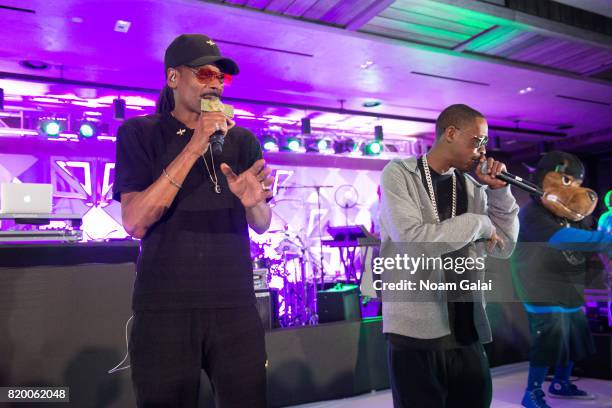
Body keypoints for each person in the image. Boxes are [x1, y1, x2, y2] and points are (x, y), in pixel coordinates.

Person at [112, 33, 273, 407]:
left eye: (221, 77)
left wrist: (253, 203)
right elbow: (134, 222)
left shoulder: (243, 140)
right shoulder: (140, 134)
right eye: (204, 73)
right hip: (165, 308)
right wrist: (195, 145)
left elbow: (263, 222)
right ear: (173, 78)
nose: (215, 82)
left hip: (234, 305)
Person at [378, 104, 519, 407]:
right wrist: (479, 223)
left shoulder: (471, 186)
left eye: (485, 143)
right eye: (477, 140)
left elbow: (505, 246)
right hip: (415, 334)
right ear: (451, 133)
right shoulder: (399, 174)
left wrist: (498, 192)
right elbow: (414, 243)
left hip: (467, 330)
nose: (482, 151)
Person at [512, 151, 612, 408]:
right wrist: (605, 240)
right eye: (567, 181)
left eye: (577, 183)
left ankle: (561, 383)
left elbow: (587, 240)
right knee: (549, 341)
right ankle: (532, 393)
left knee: (574, 337)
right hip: (541, 289)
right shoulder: (532, 214)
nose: (575, 190)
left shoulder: (570, 215)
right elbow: (561, 240)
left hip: (568, 288)